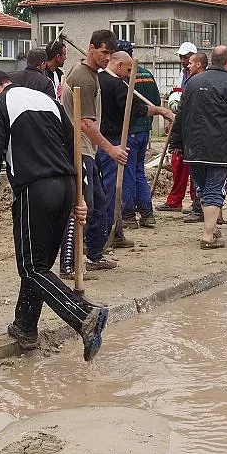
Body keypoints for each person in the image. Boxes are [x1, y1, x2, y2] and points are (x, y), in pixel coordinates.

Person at [0, 69, 107, 361]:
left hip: (35, 189)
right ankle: (25, 327)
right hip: (66, 186)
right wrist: (80, 194)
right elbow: (74, 146)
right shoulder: (48, 101)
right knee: (41, 265)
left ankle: (83, 315)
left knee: (32, 267)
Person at [170, 46, 227, 249]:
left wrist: (176, 143)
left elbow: (181, 115)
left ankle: (212, 228)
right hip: (221, 149)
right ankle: (208, 235)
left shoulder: (193, 82)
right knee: (214, 190)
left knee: (203, 188)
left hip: (194, 148)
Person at [59, 29, 126, 277]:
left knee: (98, 206)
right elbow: (86, 124)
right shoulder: (84, 78)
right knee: (81, 208)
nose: (107, 58)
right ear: (91, 48)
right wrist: (111, 150)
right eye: (104, 52)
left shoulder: (91, 74)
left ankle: (94, 256)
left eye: (110, 53)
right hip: (79, 150)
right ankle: (68, 265)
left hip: (88, 150)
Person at [97, 51, 174, 244]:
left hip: (126, 133)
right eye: (129, 69)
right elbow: (142, 106)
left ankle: (132, 215)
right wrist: (160, 111)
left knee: (130, 173)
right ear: (120, 65)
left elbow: (137, 106)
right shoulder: (122, 82)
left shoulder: (109, 80)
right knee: (133, 173)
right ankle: (138, 214)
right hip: (131, 133)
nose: (131, 73)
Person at [114, 40, 172, 229]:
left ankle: (129, 214)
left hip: (129, 130)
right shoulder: (147, 74)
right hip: (144, 130)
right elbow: (155, 101)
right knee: (139, 171)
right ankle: (147, 213)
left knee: (128, 172)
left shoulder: (123, 76)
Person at [158, 50, 205, 217]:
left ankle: (197, 203)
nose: (185, 62)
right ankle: (178, 200)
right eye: (182, 58)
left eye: (188, 59)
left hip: (194, 133)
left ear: (198, 62)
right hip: (186, 129)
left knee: (196, 171)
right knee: (180, 167)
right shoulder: (184, 75)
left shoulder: (196, 82)